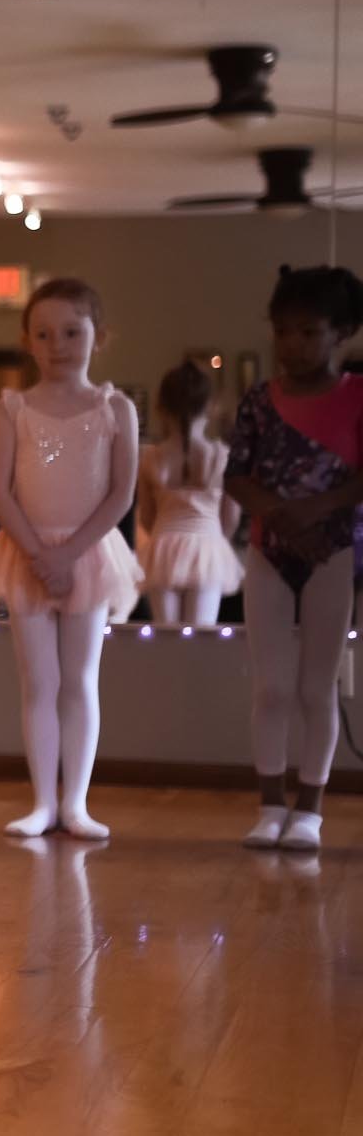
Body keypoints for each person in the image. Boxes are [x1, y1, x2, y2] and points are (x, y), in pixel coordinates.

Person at [0, 278, 142, 840]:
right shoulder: (11, 410)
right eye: (44, 334)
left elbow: (120, 493)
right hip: (25, 549)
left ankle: (77, 804)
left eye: (72, 331)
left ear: (100, 336)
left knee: (80, 679)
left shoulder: (116, 408)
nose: (59, 343)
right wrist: (40, 554)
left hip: (89, 554)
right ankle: (43, 802)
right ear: (27, 341)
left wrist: (69, 554)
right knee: (38, 681)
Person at [226, 265, 363, 853]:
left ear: (343, 332)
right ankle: (269, 803)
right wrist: (282, 516)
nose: (293, 344)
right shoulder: (260, 400)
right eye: (284, 332)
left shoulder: (358, 395)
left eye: (309, 332)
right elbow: (236, 475)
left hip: (331, 553)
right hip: (268, 552)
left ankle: (310, 806)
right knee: (271, 686)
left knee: (315, 686)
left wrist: (318, 511)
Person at [137, 360, 244, 625]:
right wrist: (211, 538)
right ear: (211, 406)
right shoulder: (221, 456)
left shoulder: (151, 458)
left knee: (167, 636)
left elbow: (147, 519)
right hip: (206, 546)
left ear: (161, 408)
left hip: (164, 548)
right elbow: (230, 518)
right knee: (201, 634)